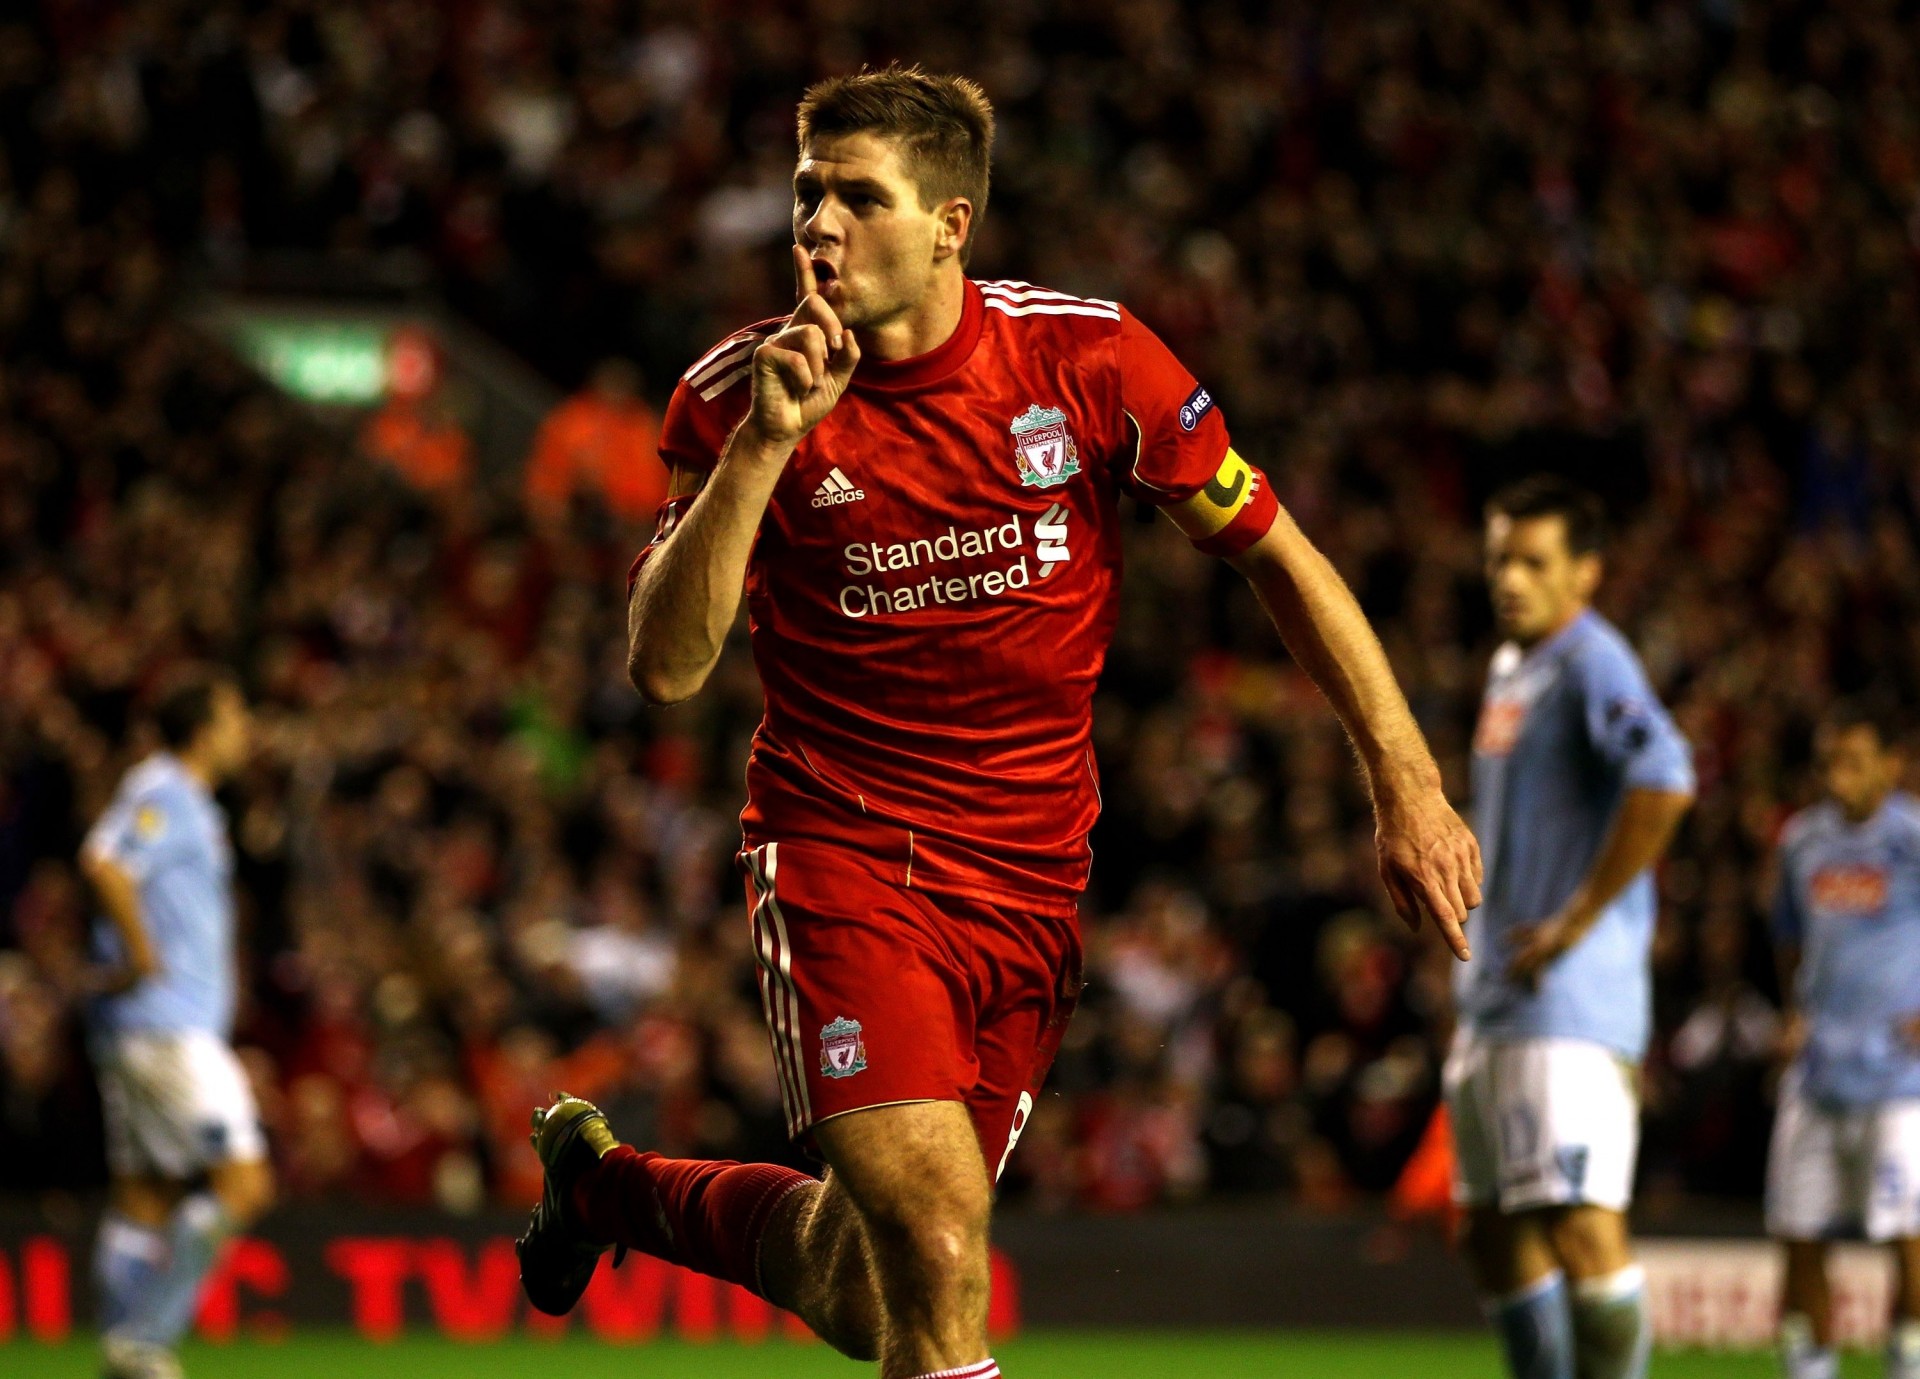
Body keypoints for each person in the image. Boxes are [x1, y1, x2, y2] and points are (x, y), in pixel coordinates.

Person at [516, 65, 1483, 1379]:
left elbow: (1277, 551)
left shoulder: (1087, 364)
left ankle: (610, 1189)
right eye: (809, 192)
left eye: (859, 197)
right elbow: (666, 666)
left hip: (1032, 887)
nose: (818, 224)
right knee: (943, 1247)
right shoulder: (732, 393)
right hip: (846, 861)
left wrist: (1407, 783)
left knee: (880, 1288)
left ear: (951, 224)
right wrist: (759, 448)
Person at [1445, 476, 1695, 1379]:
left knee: (1583, 1227)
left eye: (1533, 562)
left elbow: (1665, 777)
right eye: (1499, 558)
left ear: (1585, 574)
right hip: (1498, 997)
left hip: (1567, 1003)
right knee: (1490, 1233)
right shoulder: (1513, 667)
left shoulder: (1594, 660)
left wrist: (1579, 917)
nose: (1509, 578)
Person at [78, 672, 274, 1379]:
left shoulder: (189, 800)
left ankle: (115, 1343)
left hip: (149, 1027)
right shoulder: (163, 786)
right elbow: (104, 864)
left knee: (146, 1194)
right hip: (169, 1028)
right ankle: (146, 1341)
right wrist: (141, 953)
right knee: (244, 1183)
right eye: (234, 714)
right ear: (203, 726)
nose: (243, 729)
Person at [1766, 703, 1920, 1379]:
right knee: (1799, 1234)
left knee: (1908, 1242)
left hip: (1900, 1079)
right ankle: (1810, 1369)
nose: (1839, 775)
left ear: (1891, 764)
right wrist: (1794, 1007)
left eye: (1855, 759)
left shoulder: (1912, 838)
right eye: (1830, 760)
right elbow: (1787, 935)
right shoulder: (1801, 840)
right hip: (1817, 1069)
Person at [523, 357, 666, 525]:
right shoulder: (570, 419)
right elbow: (545, 475)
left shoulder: (645, 427)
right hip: (568, 513)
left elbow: (652, 490)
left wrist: (615, 497)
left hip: (627, 521)